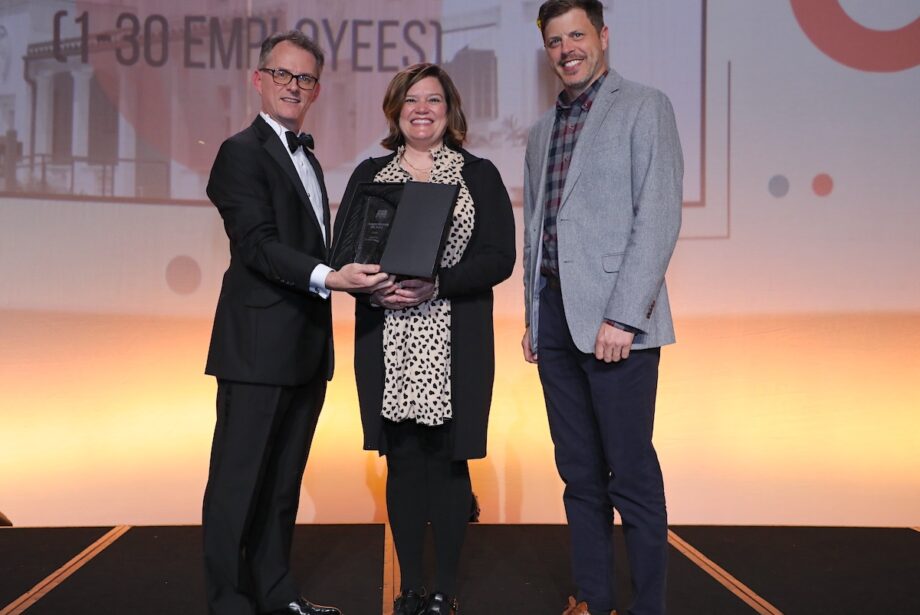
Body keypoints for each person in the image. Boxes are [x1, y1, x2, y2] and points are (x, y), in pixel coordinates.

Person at [202, 31, 390, 615]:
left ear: (316, 90)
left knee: (282, 486)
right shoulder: (240, 152)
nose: (293, 86)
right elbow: (257, 246)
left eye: (304, 79)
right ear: (258, 79)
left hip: (305, 349)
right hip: (256, 349)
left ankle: (278, 595)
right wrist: (332, 277)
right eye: (282, 75)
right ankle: (230, 602)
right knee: (239, 485)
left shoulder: (305, 157)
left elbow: (316, 246)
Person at [333, 63, 515, 615]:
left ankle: (444, 589)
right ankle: (411, 586)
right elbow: (343, 258)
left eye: (434, 100)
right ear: (395, 109)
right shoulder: (370, 174)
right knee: (404, 463)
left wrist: (439, 284)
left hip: (454, 339)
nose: (422, 108)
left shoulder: (478, 175)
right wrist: (372, 292)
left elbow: (499, 257)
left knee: (449, 464)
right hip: (388, 340)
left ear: (449, 111)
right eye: (411, 99)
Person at [522, 2, 683, 614]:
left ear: (603, 37)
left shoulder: (645, 106)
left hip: (620, 327)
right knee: (578, 477)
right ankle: (593, 599)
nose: (567, 49)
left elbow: (659, 216)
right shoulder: (541, 130)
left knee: (632, 477)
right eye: (555, 40)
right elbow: (536, 229)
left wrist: (624, 316)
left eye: (577, 36)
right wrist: (535, 318)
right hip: (557, 322)